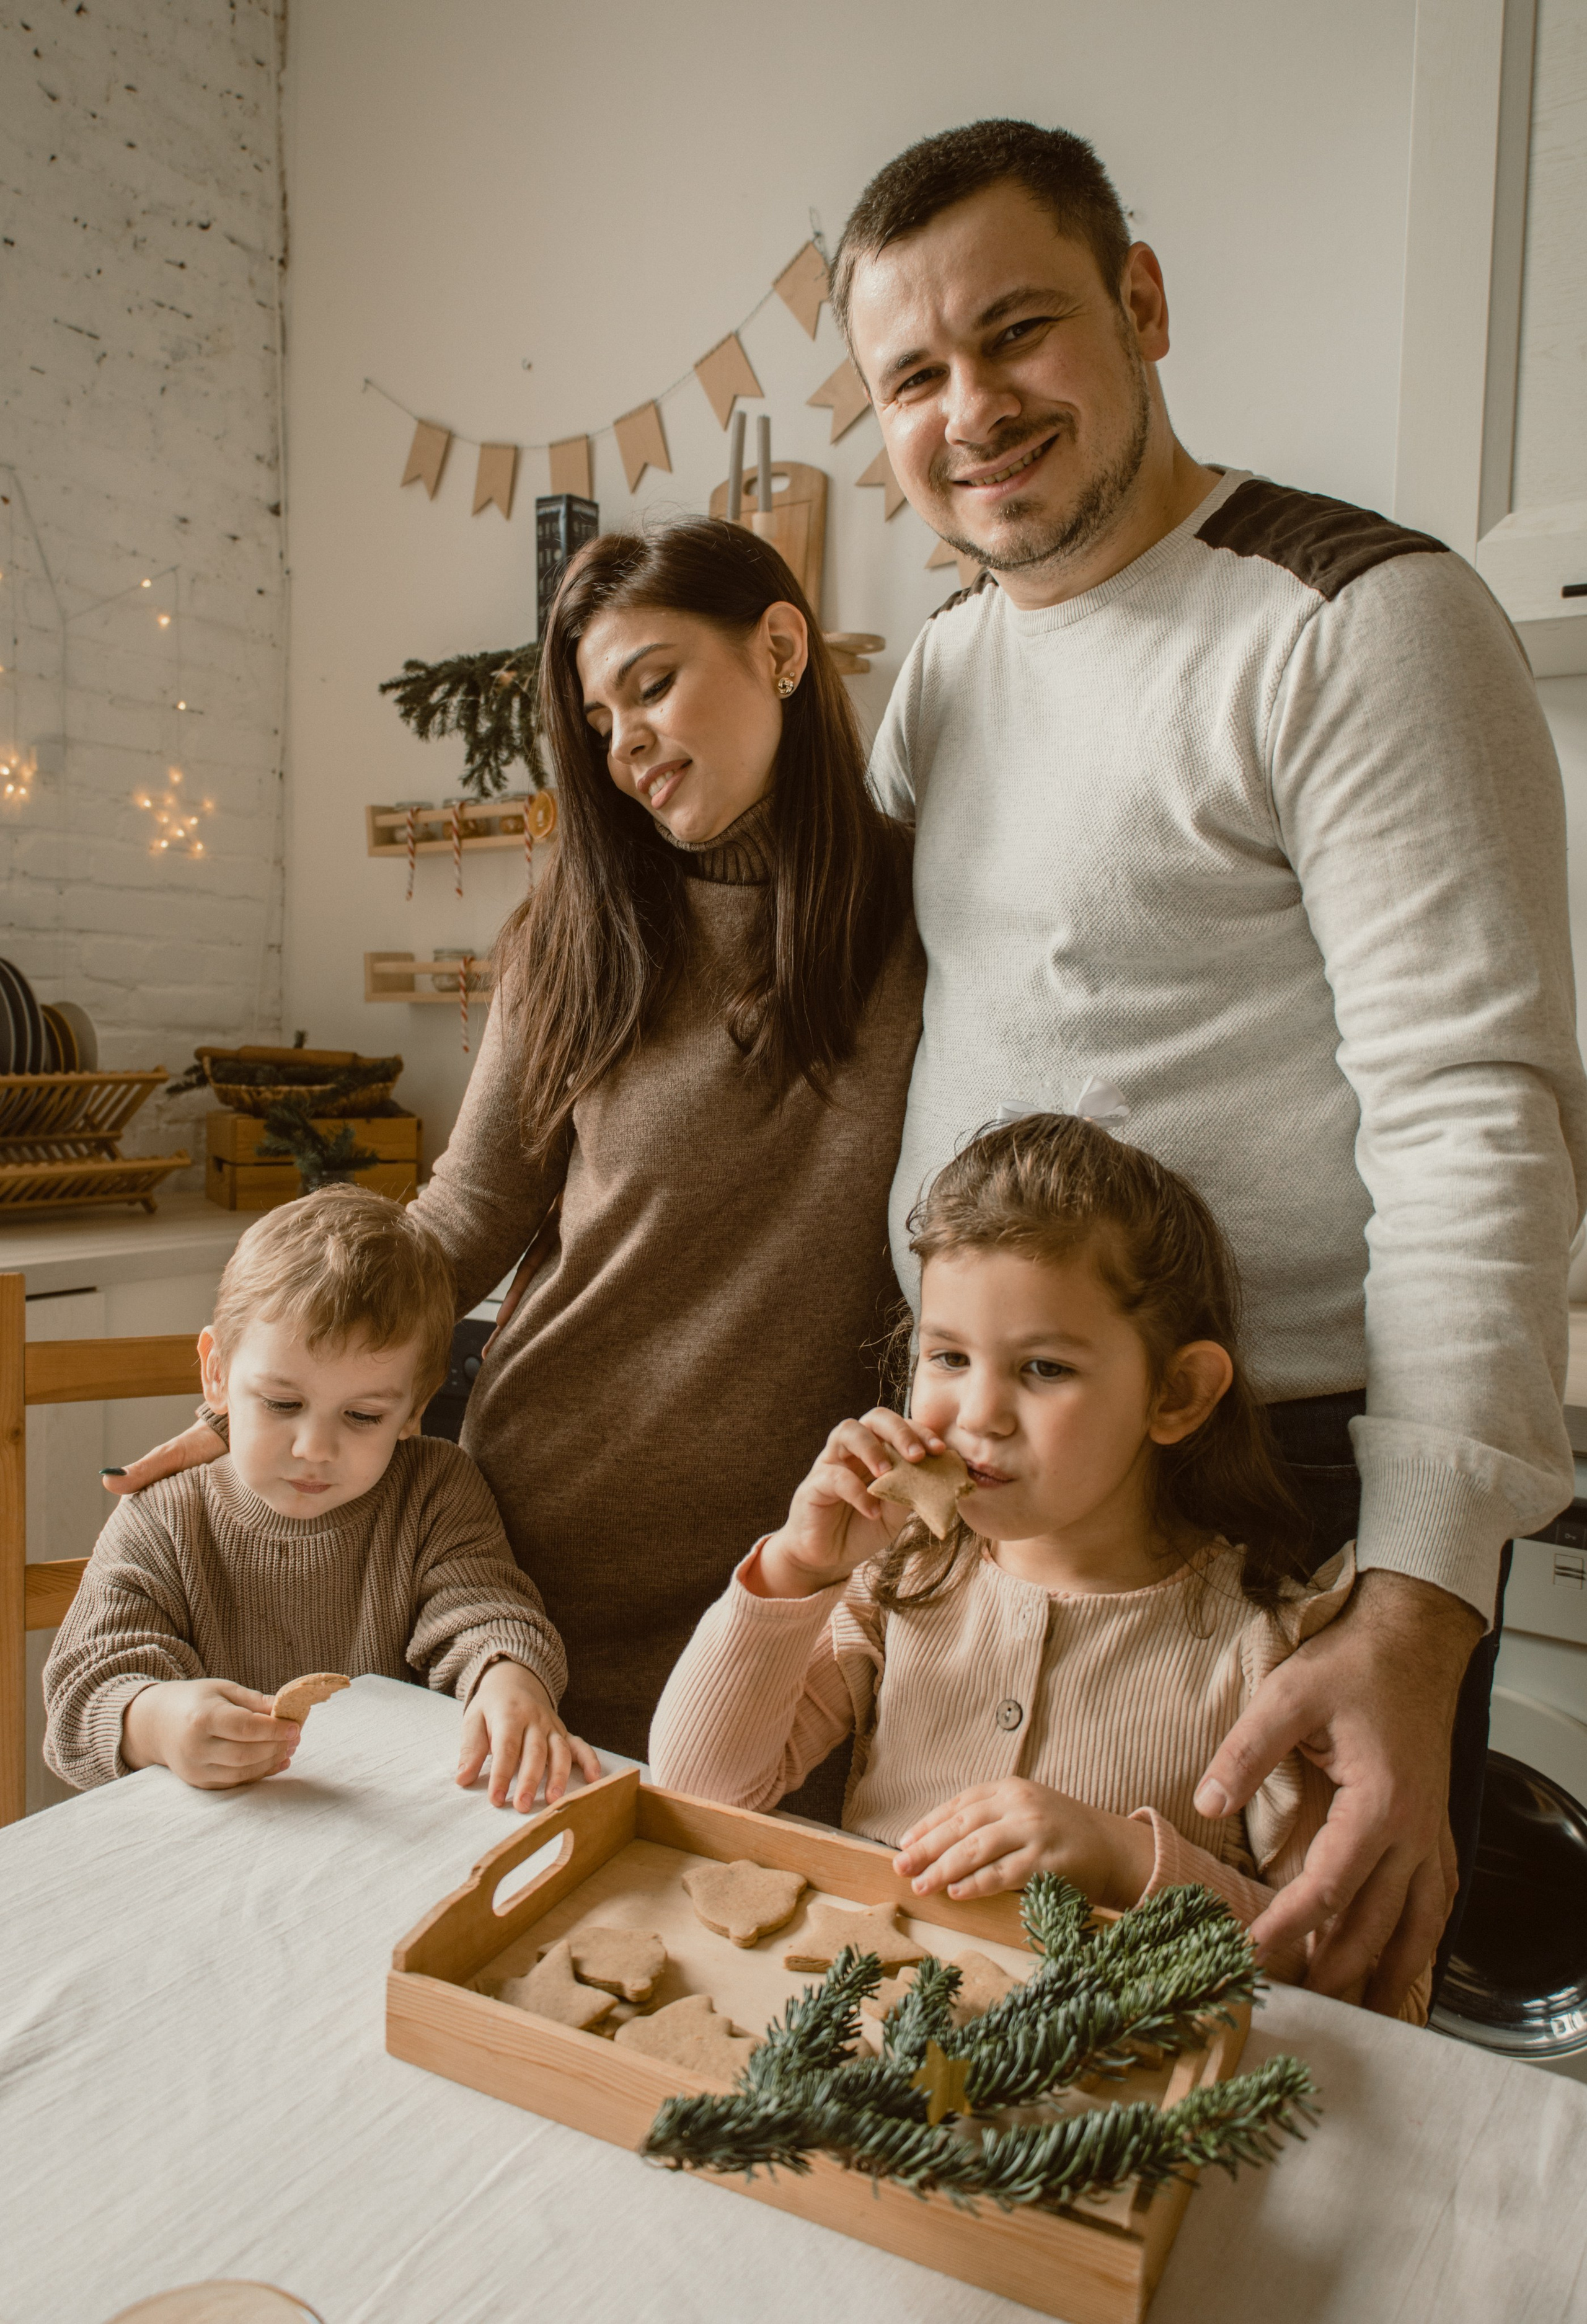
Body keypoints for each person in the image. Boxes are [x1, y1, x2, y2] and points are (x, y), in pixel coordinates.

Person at [829, 118, 1586, 2011]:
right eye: (915, 375)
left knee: (1298, 2052)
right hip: (986, 1460)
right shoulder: (941, 671)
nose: (972, 409)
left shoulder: (1356, 616)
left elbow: (1474, 1109)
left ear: (1140, 304)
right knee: (967, 2010)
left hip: (1294, 1489)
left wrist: (1416, 1602)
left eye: (1018, 335)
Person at [108, 520, 923, 1773]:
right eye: (598, 718)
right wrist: (279, 1375)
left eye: (651, 682)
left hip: (792, 1575)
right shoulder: (576, 934)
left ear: (778, 648)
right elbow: (465, 1210)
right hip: (531, 1563)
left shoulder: (927, 912)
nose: (627, 740)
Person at [652, 1112, 1430, 2020]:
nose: (978, 1413)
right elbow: (699, 1789)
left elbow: (1349, 1972)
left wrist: (1127, 1861)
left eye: (1045, 1368)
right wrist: (793, 1571)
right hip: (858, 2061)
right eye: (947, 1356)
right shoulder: (900, 1584)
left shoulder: (1273, 1655)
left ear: (1176, 1394)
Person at [46, 1187, 595, 1806]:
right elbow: (81, 1693)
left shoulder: (435, 1490)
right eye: (283, 1404)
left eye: (362, 1415)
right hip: (204, 1842)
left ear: (413, 1408)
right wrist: (156, 1723)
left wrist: (509, 1678)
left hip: (389, 1824)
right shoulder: (163, 1516)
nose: (315, 1447)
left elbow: (483, 1611)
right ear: (217, 1373)